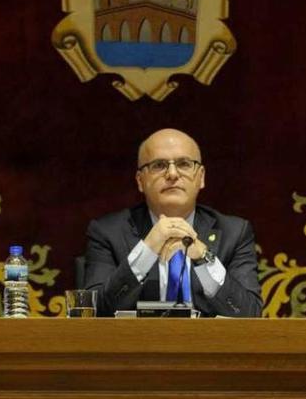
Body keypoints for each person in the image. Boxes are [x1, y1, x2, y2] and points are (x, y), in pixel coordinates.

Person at [84, 128, 262, 317]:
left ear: (200, 177)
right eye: (159, 165)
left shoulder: (234, 232)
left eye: (184, 164)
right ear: (140, 181)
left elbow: (249, 314)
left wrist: (203, 256)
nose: (172, 174)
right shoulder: (107, 232)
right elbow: (95, 313)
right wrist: (147, 250)